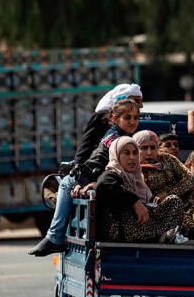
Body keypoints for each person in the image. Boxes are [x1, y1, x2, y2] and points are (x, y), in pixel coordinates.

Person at [28, 94, 142, 257]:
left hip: (100, 180)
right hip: (93, 175)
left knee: (66, 183)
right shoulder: (115, 137)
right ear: (115, 119)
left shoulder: (122, 138)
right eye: (128, 117)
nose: (133, 121)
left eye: (136, 118)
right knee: (67, 182)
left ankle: (54, 237)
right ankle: (53, 236)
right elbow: (105, 164)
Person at [95, 136, 183, 243]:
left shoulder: (135, 177)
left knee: (174, 201)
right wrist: (135, 202)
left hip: (141, 224)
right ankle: (157, 237)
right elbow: (103, 184)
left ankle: (165, 236)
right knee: (125, 209)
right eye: (126, 153)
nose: (132, 157)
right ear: (116, 155)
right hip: (119, 231)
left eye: (135, 153)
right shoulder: (111, 174)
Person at [136, 130, 194, 230]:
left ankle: (189, 230)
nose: (149, 152)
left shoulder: (167, 159)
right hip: (144, 205)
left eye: (153, 147)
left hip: (174, 202)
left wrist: (168, 194)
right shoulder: (131, 164)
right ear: (135, 149)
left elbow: (191, 179)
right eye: (144, 148)